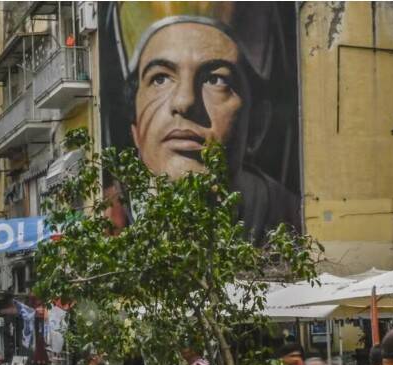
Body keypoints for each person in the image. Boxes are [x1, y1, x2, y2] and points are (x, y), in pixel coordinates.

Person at [106, 4, 299, 242]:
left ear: (258, 123)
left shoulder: (293, 218)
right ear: (135, 127)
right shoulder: (108, 219)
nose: (185, 101)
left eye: (215, 79)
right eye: (160, 78)